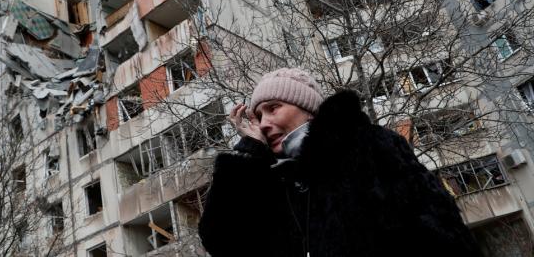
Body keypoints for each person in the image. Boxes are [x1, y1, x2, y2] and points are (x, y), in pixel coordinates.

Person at [198, 68, 481, 257]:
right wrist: (247, 153)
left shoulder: (366, 145)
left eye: (274, 109)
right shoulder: (269, 180)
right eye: (258, 116)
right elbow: (220, 240)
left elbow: (439, 230)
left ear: (307, 109)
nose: (265, 123)